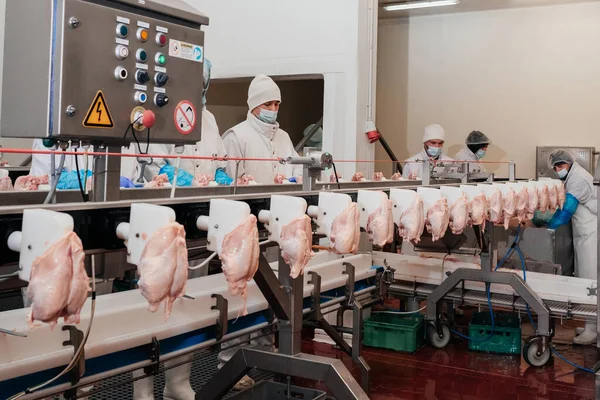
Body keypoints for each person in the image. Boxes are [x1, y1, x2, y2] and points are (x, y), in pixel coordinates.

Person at [132, 59, 232, 186]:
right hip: (170, 199)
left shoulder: (209, 119)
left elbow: (219, 165)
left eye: (199, 82)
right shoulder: (159, 116)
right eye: (188, 81)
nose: (192, 87)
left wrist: (226, 181)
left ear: (205, 86)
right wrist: (188, 181)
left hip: (205, 199)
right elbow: (153, 165)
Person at [547, 149, 598, 345]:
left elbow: (567, 210)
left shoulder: (577, 179)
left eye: (561, 165)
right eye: (556, 167)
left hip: (591, 234)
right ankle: (590, 324)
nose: (558, 169)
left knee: (590, 282)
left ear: (569, 163)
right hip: (584, 233)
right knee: (586, 278)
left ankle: (592, 329)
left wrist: (548, 227)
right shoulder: (572, 176)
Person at [222, 74, 301, 184]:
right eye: (267, 104)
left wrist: (298, 178)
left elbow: (298, 168)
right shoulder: (235, 137)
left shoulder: (284, 137)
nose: (273, 109)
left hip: (284, 200)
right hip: (250, 201)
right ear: (254, 105)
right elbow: (231, 182)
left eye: (276, 104)